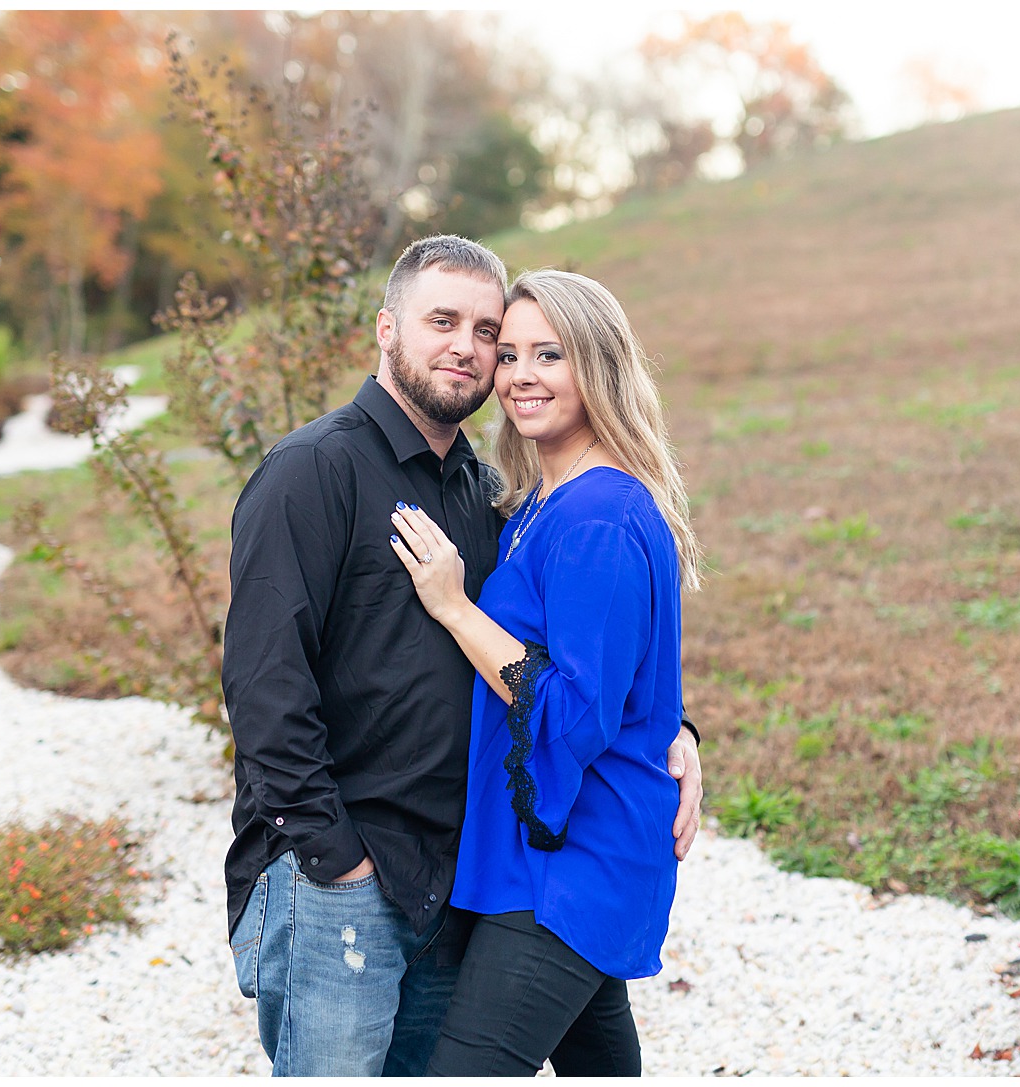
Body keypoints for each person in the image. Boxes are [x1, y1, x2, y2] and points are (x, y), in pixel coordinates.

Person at [221, 237, 703, 1077]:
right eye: (445, 322)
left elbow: (582, 656)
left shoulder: (489, 494)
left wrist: (672, 728)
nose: (476, 352)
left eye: (491, 332)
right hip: (349, 872)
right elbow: (264, 687)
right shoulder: (313, 472)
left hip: (458, 877)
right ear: (386, 329)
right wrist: (336, 858)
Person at [385, 268, 701, 1076]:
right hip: (541, 850)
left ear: (596, 367)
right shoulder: (536, 503)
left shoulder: (598, 514)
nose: (521, 374)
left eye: (550, 354)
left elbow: (577, 712)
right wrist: (678, 730)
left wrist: (457, 608)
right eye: (510, 352)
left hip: (575, 860)